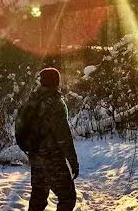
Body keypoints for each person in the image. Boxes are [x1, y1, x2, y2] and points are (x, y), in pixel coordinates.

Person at [21, 67, 78, 211]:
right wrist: (73, 161)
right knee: (68, 197)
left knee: (38, 199)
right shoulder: (55, 104)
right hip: (52, 159)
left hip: (35, 157)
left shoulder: (31, 101)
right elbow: (63, 137)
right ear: (56, 82)